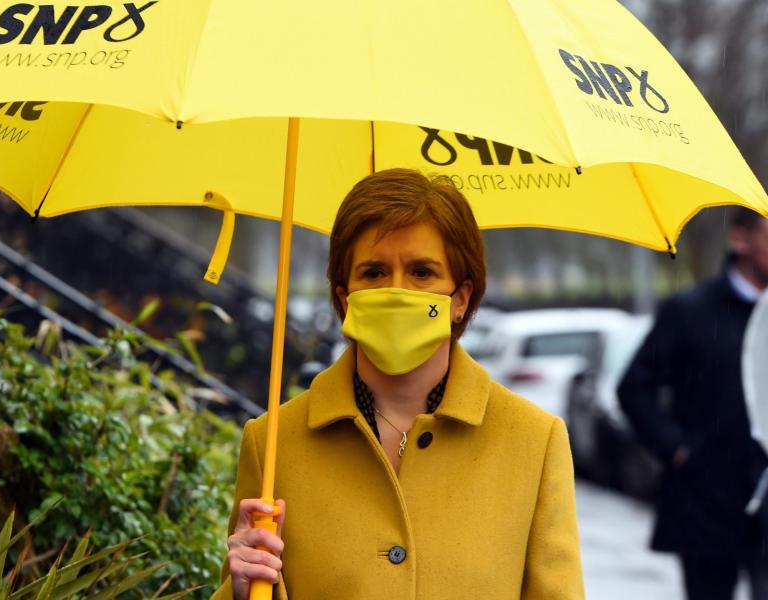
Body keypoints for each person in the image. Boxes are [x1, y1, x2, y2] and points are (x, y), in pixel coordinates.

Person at [211, 169, 584, 600]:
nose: (396, 290)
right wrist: (240, 591)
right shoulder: (273, 442)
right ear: (344, 297)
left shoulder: (535, 442)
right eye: (373, 272)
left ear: (461, 299)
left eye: (422, 272)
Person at [618, 207, 768, 600]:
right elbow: (634, 388)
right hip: (708, 505)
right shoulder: (691, 311)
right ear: (740, 238)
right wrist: (679, 449)